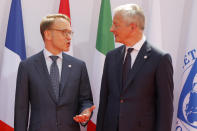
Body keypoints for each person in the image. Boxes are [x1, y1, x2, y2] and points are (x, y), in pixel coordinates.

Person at [96, 4, 173, 131]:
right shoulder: (111, 56)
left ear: (132, 27)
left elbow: (165, 107)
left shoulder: (160, 59)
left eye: (116, 25)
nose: (111, 29)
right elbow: (104, 99)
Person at [14, 14, 95, 131]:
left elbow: (86, 100)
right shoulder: (27, 66)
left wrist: (85, 112)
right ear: (47, 34)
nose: (69, 37)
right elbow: (21, 109)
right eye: (64, 32)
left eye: (70, 33)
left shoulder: (79, 66)